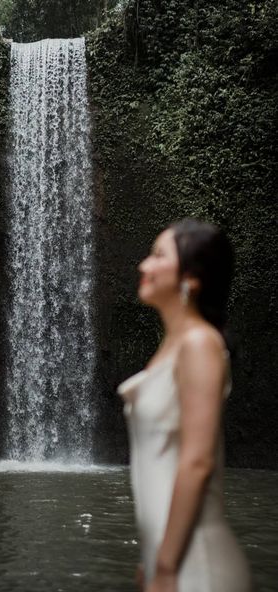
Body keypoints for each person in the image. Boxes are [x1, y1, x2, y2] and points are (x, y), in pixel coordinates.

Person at [117, 218, 252, 592]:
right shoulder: (173, 347)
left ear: (191, 278)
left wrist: (166, 564)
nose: (143, 265)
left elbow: (197, 461)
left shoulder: (199, 344)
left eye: (158, 255)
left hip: (195, 563)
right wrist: (153, 559)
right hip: (171, 557)